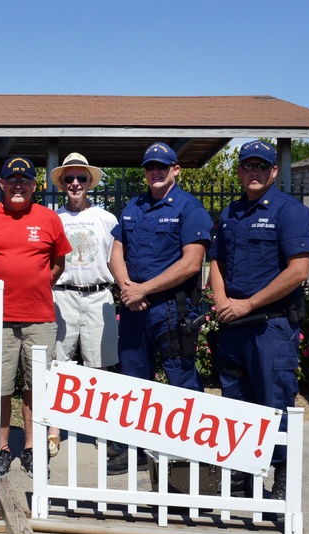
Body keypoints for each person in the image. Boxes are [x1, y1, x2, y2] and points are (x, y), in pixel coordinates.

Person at [209, 140, 309, 500]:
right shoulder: (230, 213)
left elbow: (299, 270)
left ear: (273, 171)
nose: (253, 172)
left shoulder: (290, 211)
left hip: (270, 325)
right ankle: (242, 478)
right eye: (247, 166)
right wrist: (221, 299)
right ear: (238, 171)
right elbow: (216, 261)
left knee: (276, 403)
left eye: (261, 166)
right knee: (236, 403)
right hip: (233, 326)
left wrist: (247, 304)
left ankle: (282, 479)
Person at [108, 142, 212, 474]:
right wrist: (127, 289)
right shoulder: (133, 207)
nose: (156, 172)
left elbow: (192, 264)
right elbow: (116, 252)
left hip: (171, 310)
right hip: (135, 310)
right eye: (151, 167)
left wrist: (143, 290)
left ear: (176, 170)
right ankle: (134, 449)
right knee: (133, 382)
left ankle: (187, 453)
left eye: (162, 167)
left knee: (182, 381)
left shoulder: (189, 208)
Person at [0, 156, 71, 479]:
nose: (18, 185)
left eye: (25, 180)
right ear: (1, 184)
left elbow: (57, 264)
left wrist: (36, 282)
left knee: (36, 387)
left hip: (39, 319)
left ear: (34, 185)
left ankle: (32, 447)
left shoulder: (49, 219)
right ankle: (1, 448)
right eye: (11, 180)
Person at [50, 153, 119, 374]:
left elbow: (114, 260)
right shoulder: (53, 219)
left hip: (98, 297)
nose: (75, 184)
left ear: (89, 182)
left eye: (81, 178)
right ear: (62, 184)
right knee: (57, 365)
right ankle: (55, 410)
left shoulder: (106, 219)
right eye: (69, 179)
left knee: (100, 365)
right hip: (62, 296)